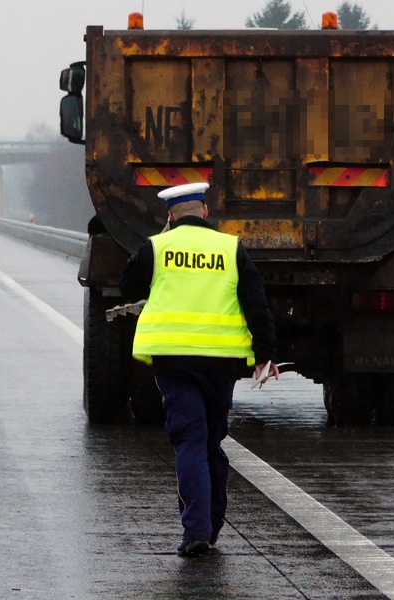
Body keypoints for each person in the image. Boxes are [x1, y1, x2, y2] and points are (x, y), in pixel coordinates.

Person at [119, 182, 278, 557]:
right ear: (205, 211)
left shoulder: (157, 248)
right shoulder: (230, 248)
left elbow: (127, 287)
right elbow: (256, 303)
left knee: (190, 441)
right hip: (221, 363)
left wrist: (155, 245)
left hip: (173, 361)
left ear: (170, 216)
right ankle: (212, 524)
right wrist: (266, 353)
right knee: (211, 443)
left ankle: (197, 532)